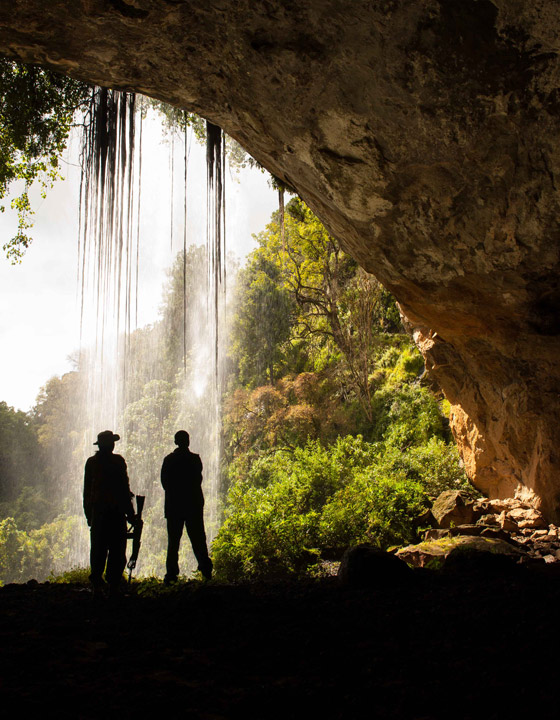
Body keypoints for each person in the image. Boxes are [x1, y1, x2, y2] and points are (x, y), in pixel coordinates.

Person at [83, 430, 136, 596]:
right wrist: (131, 514)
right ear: (109, 444)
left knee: (99, 548)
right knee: (117, 549)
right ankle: (112, 584)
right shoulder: (118, 462)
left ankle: (98, 583)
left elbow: (87, 492)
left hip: (99, 512)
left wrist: (88, 514)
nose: (113, 445)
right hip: (116, 512)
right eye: (112, 442)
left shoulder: (92, 463)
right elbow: (124, 490)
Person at [161, 430, 213, 582]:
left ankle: (171, 574)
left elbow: (165, 483)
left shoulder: (169, 460)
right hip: (193, 505)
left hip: (174, 506)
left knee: (173, 542)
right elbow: (198, 480)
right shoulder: (195, 459)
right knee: (198, 539)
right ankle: (206, 571)